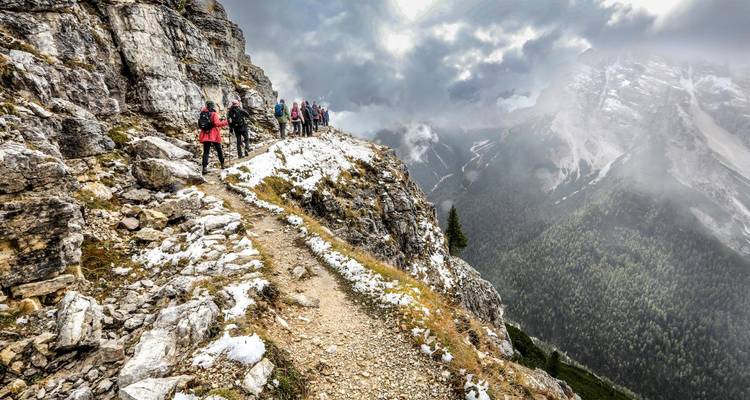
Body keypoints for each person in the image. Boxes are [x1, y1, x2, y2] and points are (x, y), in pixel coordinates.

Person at [198, 100, 228, 175]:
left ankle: (204, 168)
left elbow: (202, 124)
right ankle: (222, 164)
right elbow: (217, 124)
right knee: (219, 149)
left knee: (206, 152)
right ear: (212, 106)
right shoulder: (214, 114)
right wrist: (226, 122)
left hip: (205, 134)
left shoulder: (202, 113)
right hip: (214, 134)